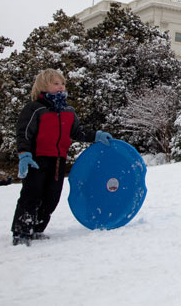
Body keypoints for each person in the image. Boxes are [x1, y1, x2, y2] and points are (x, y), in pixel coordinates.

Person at [11, 69, 112, 246]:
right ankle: (21, 230)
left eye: (62, 83)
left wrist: (96, 135)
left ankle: (37, 228)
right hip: (37, 159)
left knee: (52, 196)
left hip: (58, 160)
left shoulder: (68, 111)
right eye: (55, 83)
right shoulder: (35, 109)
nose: (60, 87)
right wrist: (24, 154)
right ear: (43, 86)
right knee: (31, 194)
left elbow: (77, 132)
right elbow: (24, 133)